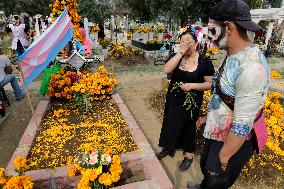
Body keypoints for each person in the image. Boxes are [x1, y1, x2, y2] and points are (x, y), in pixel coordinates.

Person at [187, 0, 270, 188]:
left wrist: (223, 159)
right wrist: (207, 118)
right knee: (206, 166)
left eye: (212, 29)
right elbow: (223, 92)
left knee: (216, 179)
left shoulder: (251, 68)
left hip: (231, 140)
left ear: (228, 27)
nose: (209, 36)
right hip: (218, 129)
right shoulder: (232, 53)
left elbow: (242, 126)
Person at [157, 26, 215, 171]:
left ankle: (188, 155)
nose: (185, 43)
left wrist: (193, 86)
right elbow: (167, 70)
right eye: (182, 40)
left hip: (192, 102)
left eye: (188, 40)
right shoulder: (178, 56)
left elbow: (209, 84)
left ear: (196, 43)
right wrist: (180, 52)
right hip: (174, 98)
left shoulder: (204, 61)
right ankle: (168, 147)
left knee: (189, 126)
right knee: (170, 122)